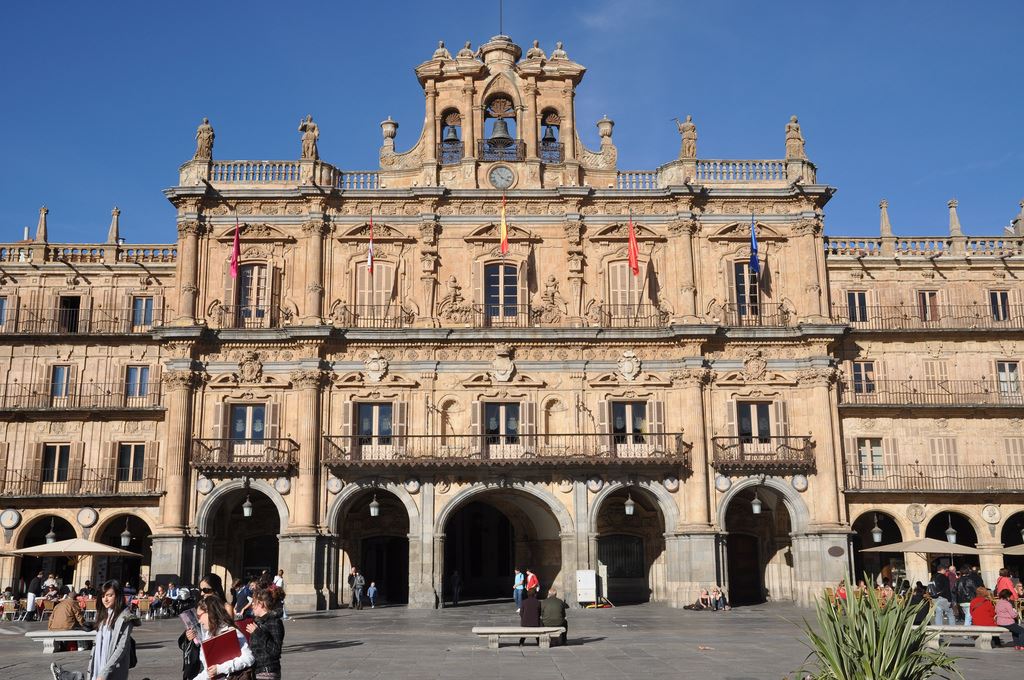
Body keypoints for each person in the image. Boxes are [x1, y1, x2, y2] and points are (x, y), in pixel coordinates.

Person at [50, 580, 135, 680]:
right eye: (103, 596)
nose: (105, 599)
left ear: (118, 596)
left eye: (109, 595)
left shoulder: (125, 618)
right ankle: (72, 676)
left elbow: (121, 648)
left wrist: (105, 672)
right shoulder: (103, 615)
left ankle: (72, 677)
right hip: (98, 664)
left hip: (113, 668)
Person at [186, 595, 254, 680]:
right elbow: (208, 672)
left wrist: (220, 668)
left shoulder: (231, 632)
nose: (199, 621)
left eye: (199, 616)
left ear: (210, 613)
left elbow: (249, 658)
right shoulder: (207, 635)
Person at [245, 587, 286, 680]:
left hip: (267, 671)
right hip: (257, 670)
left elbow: (275, 650)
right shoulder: (258, 622)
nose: (252, 606)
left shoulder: (274, 622)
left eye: (254, 603)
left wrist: (257, 633)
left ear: (262, 604)